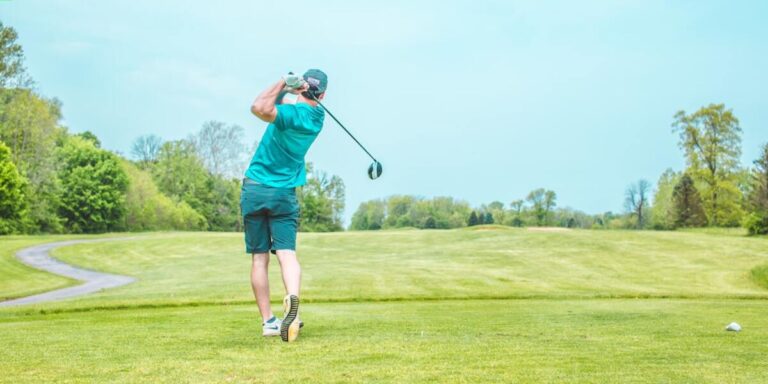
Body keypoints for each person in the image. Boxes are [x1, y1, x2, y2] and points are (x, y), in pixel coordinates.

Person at [242, 69, 328, 342]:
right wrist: (292, 91)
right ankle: (293, 304)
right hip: (284, 195)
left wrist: (283, 82)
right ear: (323, 94)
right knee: (287, 253)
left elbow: (259, 107)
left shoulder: (289, 114)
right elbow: (276, 107)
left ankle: (268, 321)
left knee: (259, 258)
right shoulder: (317, 119)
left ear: (303, 88)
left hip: (255, 189)